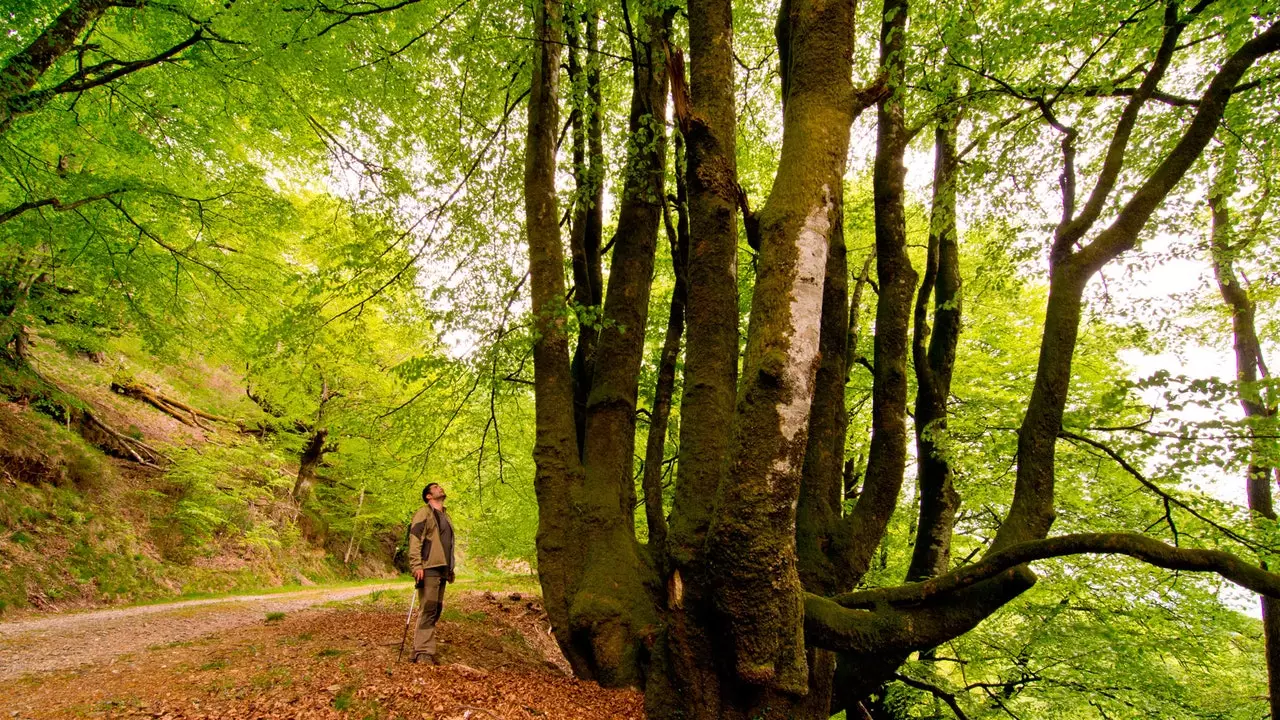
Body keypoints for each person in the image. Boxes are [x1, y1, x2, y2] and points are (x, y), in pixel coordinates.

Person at [407, 481, 456, 664]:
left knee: (436, 608)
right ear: (428, 496)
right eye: (435, 487)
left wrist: (450, 568)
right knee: (428, 608)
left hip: (442, 568)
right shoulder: (424, 513)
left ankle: (419, 647)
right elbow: (415, 539)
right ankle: (424, 651)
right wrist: (416, 565)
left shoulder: (446, 516)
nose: (440, 488)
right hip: (428, 567)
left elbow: (448, 545)